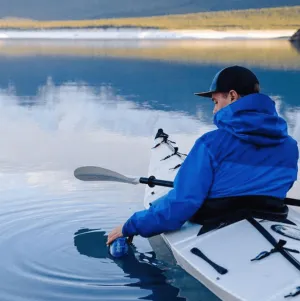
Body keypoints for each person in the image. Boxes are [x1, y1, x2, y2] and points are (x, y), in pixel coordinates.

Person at [107, 65, 299, 245]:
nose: (214, 109)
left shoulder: (211, 144)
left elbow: (182, 204)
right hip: (272, 216)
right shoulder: (290, 146)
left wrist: (131, 225)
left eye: (216, 101)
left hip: (215, 221)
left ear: (232, 96)